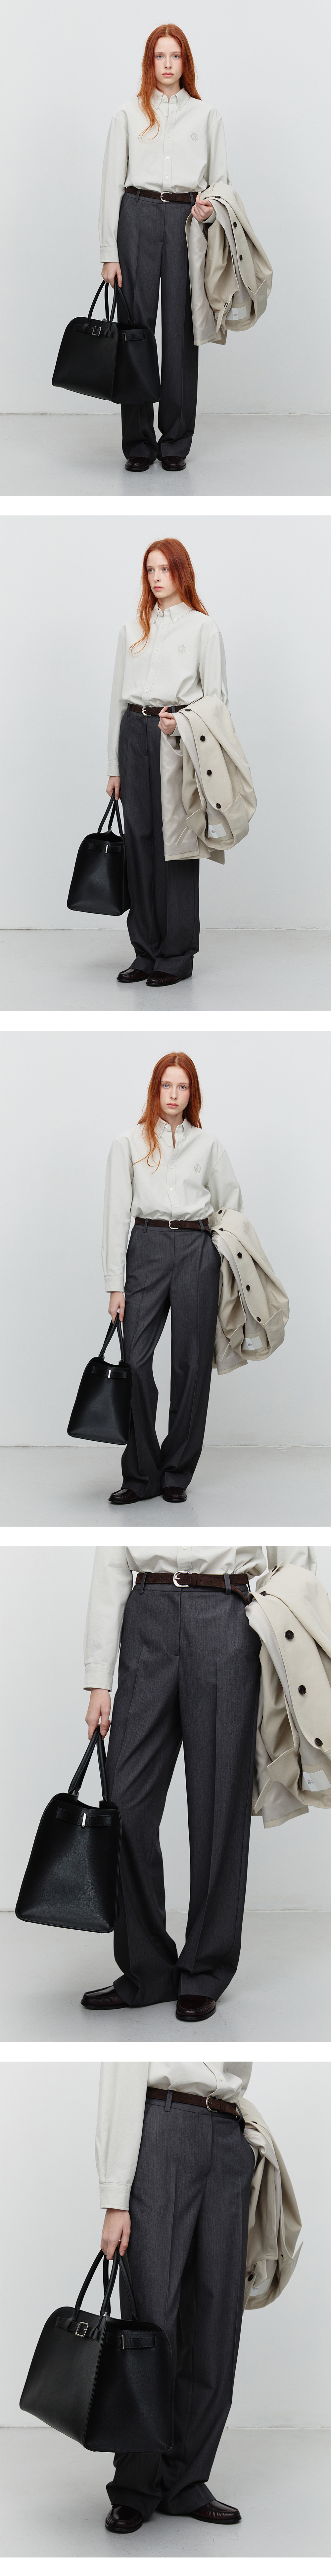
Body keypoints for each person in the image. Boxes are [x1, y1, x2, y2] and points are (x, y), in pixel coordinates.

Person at [81, 1543, 317, 2018]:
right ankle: (147, 1970)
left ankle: (204, 1970)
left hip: (225, 1617)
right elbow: (111, 1565)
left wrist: (286, 1637)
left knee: (219, 1802)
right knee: (124, 1805)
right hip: (146, 1614)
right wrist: (99, 1680)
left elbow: (295, 1561)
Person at [95, 2059, 302, 2532]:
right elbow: (122, 2074)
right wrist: (114, 2198)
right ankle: (135, 2486)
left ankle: (186, 2482)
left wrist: (242, 2139)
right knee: (151, 2325)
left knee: (218, 2318)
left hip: (228, 2136)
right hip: (162, 2128)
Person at [102, 1049, 241, 1506]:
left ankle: (176, 1471)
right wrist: (115, 1284)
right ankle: (142, 1474)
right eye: (167, 1085)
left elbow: (231, 1206)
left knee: (191, 1364)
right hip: (146, 1247)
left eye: (183, 1086)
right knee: (136, 1361)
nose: (174, 1094)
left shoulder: (209, 1145)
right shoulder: (128, 1143)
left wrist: (217, 1252)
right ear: (155, 1090)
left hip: (197, 1250)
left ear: (192, 1093)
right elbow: (115, 1215)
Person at [99, 24, 228, 471]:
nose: (168, 64)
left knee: (181, 332)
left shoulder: (207, 116)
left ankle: (175, 440)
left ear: (185, 62)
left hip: (186, 223)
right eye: (160, 56)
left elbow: (220, 183)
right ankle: (138, 443)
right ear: (150, 62)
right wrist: (109, 252)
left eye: (175, 56)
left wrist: (208, 211)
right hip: (136, 217)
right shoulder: (128, 114)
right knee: (135, 331)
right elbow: (111, 186)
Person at [107, 536, 228, 987]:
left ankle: (176, 956)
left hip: (176, 737)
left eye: (165, 569)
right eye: (150, 570)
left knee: (176, 845)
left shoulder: (203, 629)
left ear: (182, 572)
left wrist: (182, 725)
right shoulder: (132, 629)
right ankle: (145, 951)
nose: (157, 578)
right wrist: (114, 766)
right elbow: (116, 702)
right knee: (138, 843)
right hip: (134, 735)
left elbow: (217, 701)